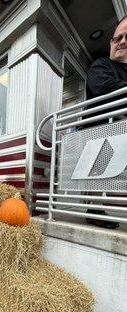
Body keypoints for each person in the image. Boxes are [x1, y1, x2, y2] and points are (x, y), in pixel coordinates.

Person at [84, 16, 127, 229]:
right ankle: (95, 208)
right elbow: (103, 88)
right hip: (99, 133)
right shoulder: (101, 65)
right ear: (111, 43)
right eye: (117, 37)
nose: (122, 41)